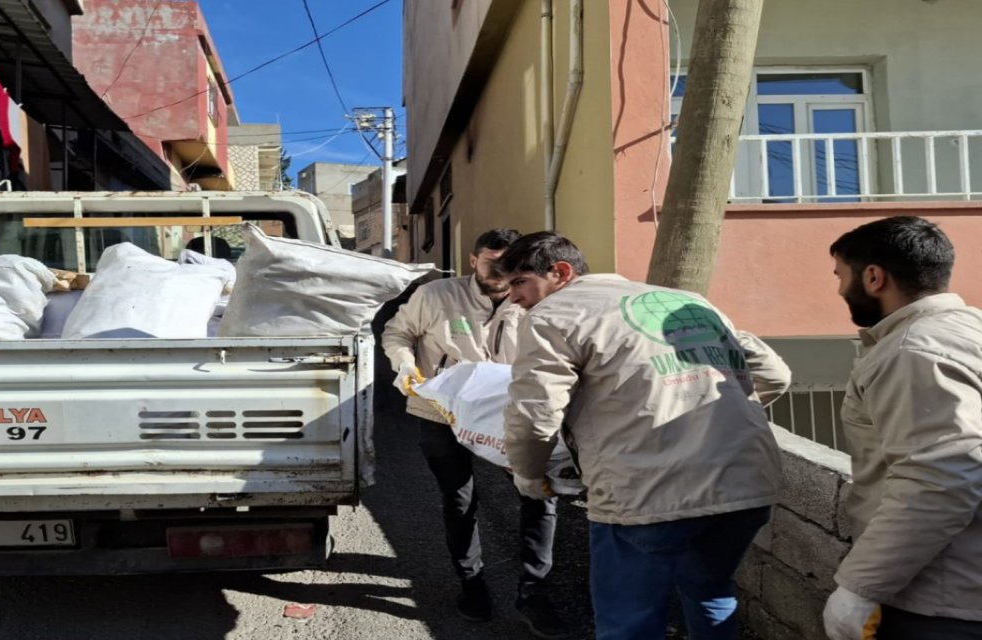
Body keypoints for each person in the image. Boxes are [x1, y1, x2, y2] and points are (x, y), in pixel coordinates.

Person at [498, 231, 791, 640]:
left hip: (645, 488)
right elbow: (775, 374)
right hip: (743, 482)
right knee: (710, 593)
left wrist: (528, 475)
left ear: (560, 272)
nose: (513, 297)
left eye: (518, 282)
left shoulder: (554, 315)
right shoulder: (686, 301)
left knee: (629, 622)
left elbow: (534, 411)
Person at [382, 229, 562, 638]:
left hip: (508, 414)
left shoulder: (533, 299)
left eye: (507, 264)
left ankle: (535, 591)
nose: (497, 272)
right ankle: (472, 583)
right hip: (441, 411)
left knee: (538, 494)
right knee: (460, 499)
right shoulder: (436, 296)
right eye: (489, 262)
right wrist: (405, 366)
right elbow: (397, 332)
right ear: (472, 259)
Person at [822, 216, 982, 640]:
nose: (840, 290)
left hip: (943, 598)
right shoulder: (971, 329)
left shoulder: (912, 351)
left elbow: (941, 477)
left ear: (873, 277)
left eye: (841, 276)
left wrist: (858, 587)